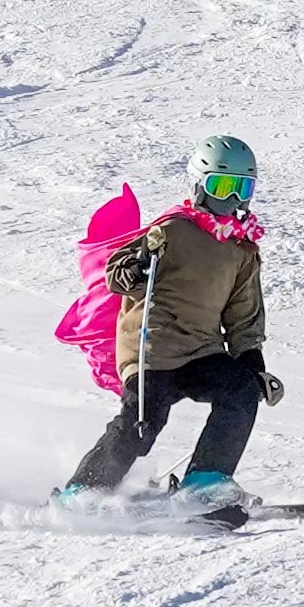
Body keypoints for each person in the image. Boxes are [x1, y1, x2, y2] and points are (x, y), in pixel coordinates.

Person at [58, 134, 280, 510]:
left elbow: (242, 316)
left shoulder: (241, 250)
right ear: (198, 186)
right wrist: (138, 266)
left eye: (242, 188)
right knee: (143, 425)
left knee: (240, 392)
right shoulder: (172, 230)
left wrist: (252, 366)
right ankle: (83, 491)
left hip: (201, 352)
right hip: (153, 348)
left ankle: (206, 480)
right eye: (221, 186)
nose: (232, 199)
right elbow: (116, 274)